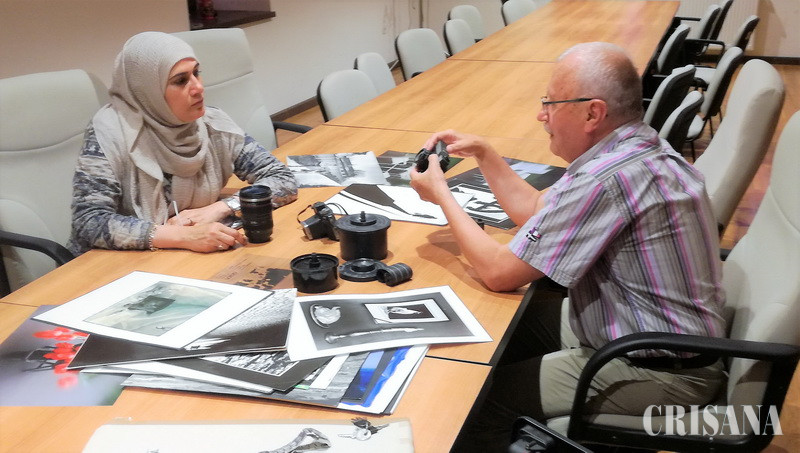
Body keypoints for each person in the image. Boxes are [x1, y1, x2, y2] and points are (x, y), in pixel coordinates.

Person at [410, 42, 726, 452]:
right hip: (645, 333)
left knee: (479, 403)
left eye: (551, 104)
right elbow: (535, 210)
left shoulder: (605, 179)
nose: (541, 115)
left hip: (661, 371)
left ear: (593, 113)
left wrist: (441, 193)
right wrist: (485, 154)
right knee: (498, 332)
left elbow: (499, 274)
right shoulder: (633, 146)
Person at [68, 31, 298, 255]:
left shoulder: (212, 123)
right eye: (181, 81)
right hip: (111, 265)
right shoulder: (110, 133)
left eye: (196, 73)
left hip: (180, 257)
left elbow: (282, 179)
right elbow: (89, 221)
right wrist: (182, 236)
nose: (198, 88)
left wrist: (222, 208)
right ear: (147, 91)